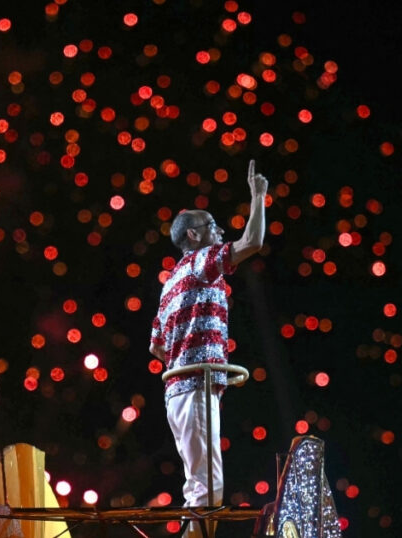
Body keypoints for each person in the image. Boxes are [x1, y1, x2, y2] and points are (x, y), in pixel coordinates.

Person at [149, 159, 268, 538]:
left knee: (200, 486)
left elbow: (157, 349)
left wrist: (189, 352)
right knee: (208, 488)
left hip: (180, 391)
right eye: (212, 226)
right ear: (194, 237)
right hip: (194, 388)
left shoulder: (169, 284)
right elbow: (252, 243)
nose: (220, 231)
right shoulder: (201, 264)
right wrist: (258, 197)